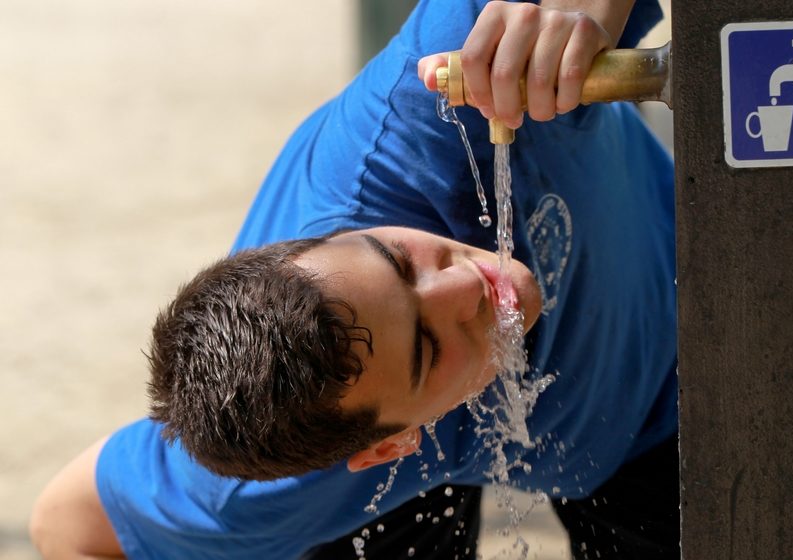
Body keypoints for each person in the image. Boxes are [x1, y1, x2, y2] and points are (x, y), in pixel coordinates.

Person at [30, 1, 679, 558]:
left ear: (324, 238)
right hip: (399, 483)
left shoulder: (451, 90)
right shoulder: (262, 489)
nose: (467, 284)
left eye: (399, 261)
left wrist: (577, 18)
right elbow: (65, 525)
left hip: (656, 392)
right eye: (426, 346)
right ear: (389, 447)